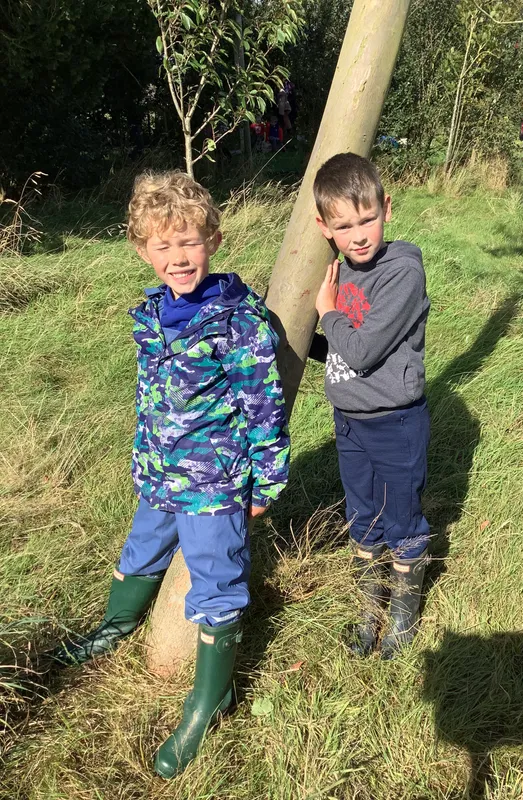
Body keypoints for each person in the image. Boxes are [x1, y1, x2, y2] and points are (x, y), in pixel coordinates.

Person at [51, 170, 290, 778]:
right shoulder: (153, 315)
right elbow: (149, 398)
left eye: (189, 242)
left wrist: (266, 479)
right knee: (141, 550)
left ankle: (210, 699)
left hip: (212, 484)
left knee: (216, 581)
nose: (178, 257)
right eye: (163, 245)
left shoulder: (237, 321)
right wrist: (143, 457)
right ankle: (115, 625)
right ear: (143, 250)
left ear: (213, 240)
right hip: (159, 476)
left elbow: (263, 404)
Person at [311, 153, 430, 659]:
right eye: (344, 226)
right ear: (324, 227)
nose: (358, 236)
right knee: (362, 514)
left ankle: (402, 614)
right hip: (350, 421)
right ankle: (370, 606)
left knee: (401, 518)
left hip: (396, 421)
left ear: (387, 208)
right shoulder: (338, 272)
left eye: (367, 219)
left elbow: (360, 350)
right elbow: (340, 352)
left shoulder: (401, 272)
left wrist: (326, 312)